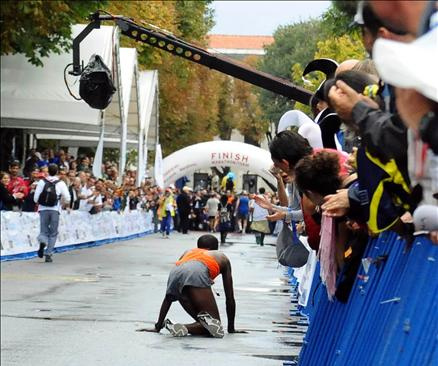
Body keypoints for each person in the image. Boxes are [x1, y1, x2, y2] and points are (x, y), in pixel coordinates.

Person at [149, 234, 240, 338]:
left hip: (175, 272)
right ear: (214, 248)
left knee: (208, 324)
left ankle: (174, 326)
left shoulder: (187, 253)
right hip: (197, 272)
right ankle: (184, 327)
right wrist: (231, 328)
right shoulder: (221, 256)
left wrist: (158, 325)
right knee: (215, 326)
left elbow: (168, 297)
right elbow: (230, 297)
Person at [33, 164, 70, 263]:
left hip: (43, 209)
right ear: (57, 171)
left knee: (43, 230)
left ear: (48, 171)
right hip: (55, 209)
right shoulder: (61, 183)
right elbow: (67, 198)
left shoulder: (42, 182)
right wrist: (62, 203)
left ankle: (43, 241)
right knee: (53, 233)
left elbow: (35, 198)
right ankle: (48, 254)